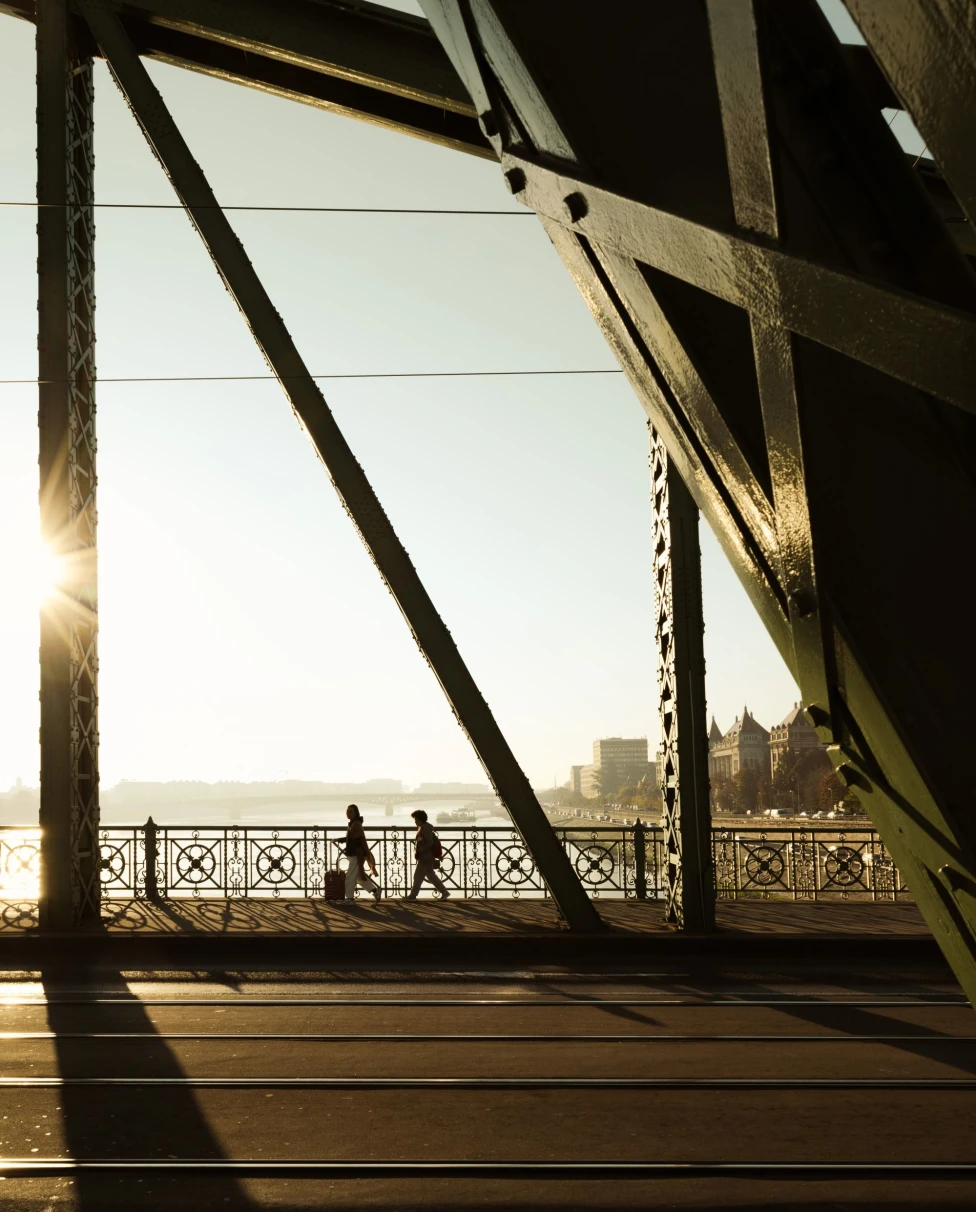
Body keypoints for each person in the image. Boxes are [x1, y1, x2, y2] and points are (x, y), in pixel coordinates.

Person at [406, 809, 450, 901]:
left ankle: (412, 896)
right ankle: (444, 892)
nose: (415, 821)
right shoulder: (424, 827)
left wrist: (420, 850)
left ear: (420, 819)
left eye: (416, 819)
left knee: (418, 876)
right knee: (431, 876)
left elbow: (430, 843)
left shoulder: (425, 828)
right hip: (426, 856)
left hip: (425, 856)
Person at [343, 804, 381, 902]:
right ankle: (375, 890)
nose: (348, 813)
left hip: (356, 854)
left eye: (351, 811)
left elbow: (357, 840)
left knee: (350, 876)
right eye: (347, 811)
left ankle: (350, 899)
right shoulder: (353, 823)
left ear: (356, 813)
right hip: (354, 854)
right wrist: (342, 840)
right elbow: (352, 838)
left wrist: (353, 850)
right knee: (359, 877)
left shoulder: (356, 824)